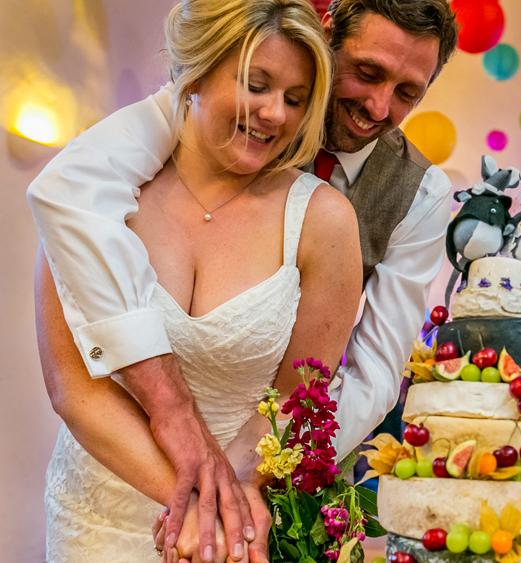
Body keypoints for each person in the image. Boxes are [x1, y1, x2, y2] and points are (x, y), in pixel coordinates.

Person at [27, 0, 458, 556]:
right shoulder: (115, 175)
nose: (378, 105)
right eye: (368, 72)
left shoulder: (391, 201)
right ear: (326, 42)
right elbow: (73, 379)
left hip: (263, 491)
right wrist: (204, 493)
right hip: (106, 501)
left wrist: (256, 478)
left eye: (407, 93)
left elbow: (369, 376)